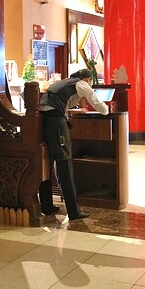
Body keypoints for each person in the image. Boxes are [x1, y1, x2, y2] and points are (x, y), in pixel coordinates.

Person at [38, 69, 109, 220]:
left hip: (43, 122)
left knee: (46, 164)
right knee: (65, 165)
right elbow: (96, 102)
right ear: (88, 79)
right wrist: (107, 110)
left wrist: (72, 111)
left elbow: (54, 105)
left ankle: (47, 206)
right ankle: (73, 211)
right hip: (57, 124)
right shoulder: (81, 83)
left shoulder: (62, 82)